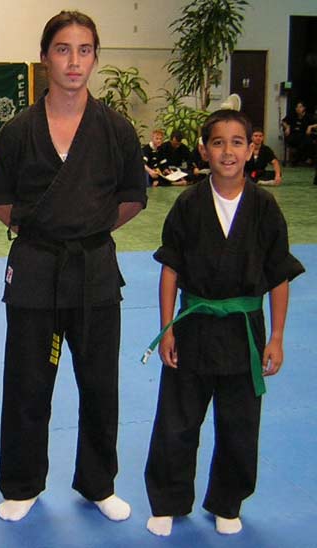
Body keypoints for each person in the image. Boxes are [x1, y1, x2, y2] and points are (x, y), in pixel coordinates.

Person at [0, 10, 147, 523]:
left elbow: (133, 197)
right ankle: (22, 484)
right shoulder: (18, 130)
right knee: (27, 383)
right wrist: (49, 230)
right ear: (44, 58)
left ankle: (99, 484)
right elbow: (1, 200)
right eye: (62, 49)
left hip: (94, 269)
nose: (74, 61)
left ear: (95, 58)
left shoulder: (116, 129)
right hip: (35, 269)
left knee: (99, 384)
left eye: (84, 50)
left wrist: (86, 228)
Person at [143, 109, 305, 537]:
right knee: (177, 421)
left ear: (251, 148)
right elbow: (170, 269)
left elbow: (279, 276)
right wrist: (167, 328)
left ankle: (227, 502)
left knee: (239, 425)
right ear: (204, 150)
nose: (228, 151)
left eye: (237, 142)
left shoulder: (264, 207)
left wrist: (277, 337)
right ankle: (168, 501)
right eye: (218, 142)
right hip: (194, 327)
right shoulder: (188, 204)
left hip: (244, 331)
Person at [281, 100, 316, 165]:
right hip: (293, 135)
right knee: (292, 140)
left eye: (300, 107)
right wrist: (287, 127)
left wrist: (310, 127)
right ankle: (299, 159)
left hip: (304, 135)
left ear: (304, 108)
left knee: (307, 142)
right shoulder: (292, 115)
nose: (298, 109)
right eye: (297, 107)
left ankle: (297, 160)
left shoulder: (309, 116)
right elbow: (283, 121)